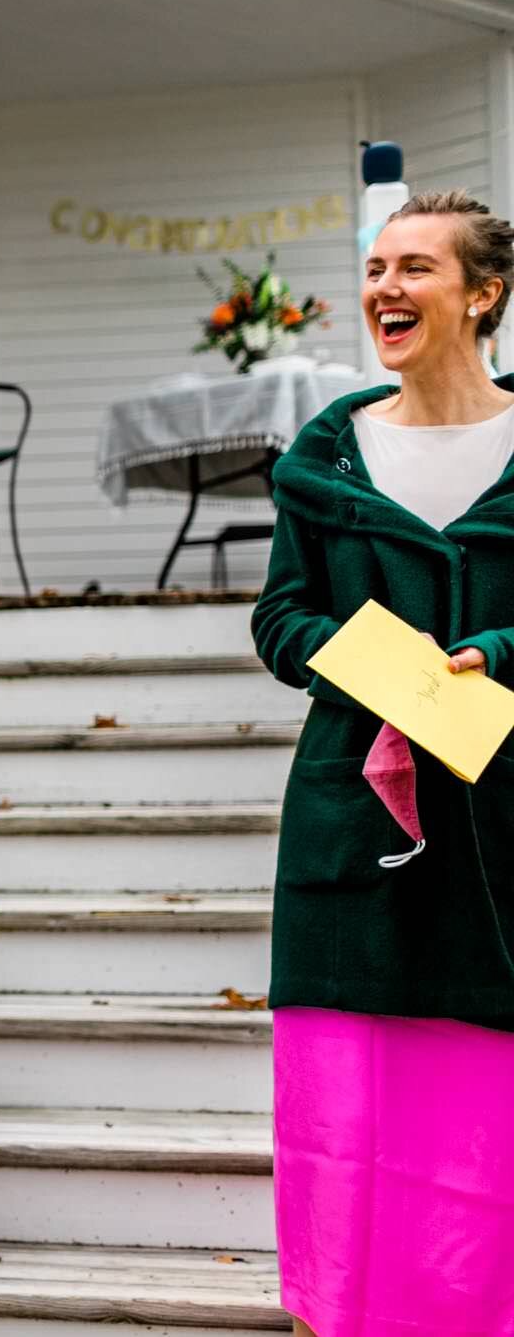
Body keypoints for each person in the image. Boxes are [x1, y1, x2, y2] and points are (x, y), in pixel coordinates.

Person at [253, 189, 514, 1336]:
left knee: (484, 1089)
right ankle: (348, 1313)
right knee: (349, 1092)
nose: (383, 290)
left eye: (414, 268)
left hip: (502, 811)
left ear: (482, 294)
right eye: (373, 268)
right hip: (352, 824)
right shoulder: (325, 453)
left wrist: (492, 652)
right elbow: (279, 619)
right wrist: (366, 659)